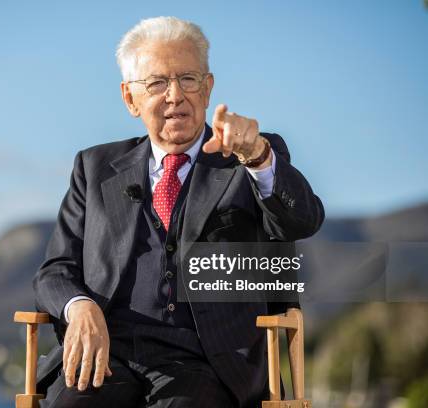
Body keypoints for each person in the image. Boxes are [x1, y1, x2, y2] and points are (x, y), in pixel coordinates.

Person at [33, 16, 324, 408]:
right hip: (108, 354)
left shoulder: (250, 155)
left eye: (188, 79)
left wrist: (258, 158)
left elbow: (302, 220)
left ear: (208, 89)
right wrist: (79, 306)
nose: (175, 95)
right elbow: (55, 270)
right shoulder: (94, 167)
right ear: (130, 99)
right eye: (156, 83)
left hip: (207, 361)